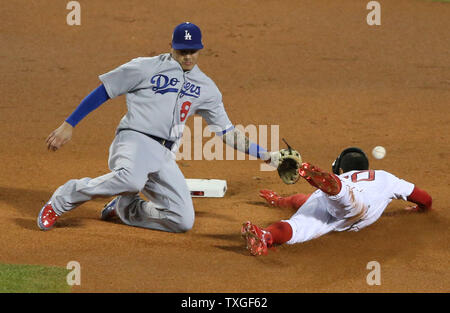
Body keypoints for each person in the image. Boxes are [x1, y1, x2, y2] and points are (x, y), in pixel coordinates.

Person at [38, 22, 276, 232]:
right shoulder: (146, 67)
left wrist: (265, 155)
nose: (187, 57)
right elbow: (105, 91)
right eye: (182, 51)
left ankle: (126, 209)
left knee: (182, 221)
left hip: (164, 155)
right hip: (134, 140)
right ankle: (63, 198)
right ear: (171, 46)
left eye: (192, 52)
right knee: (131, 181)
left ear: (200, 50)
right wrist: (69, 124)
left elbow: (227, 132)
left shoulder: (207, 88)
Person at [241, 147, 432, 256]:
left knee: (296, 226)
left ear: (340, 169)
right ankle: (333, 188)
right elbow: (425, 199)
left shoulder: (346, 177)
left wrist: (279, 201)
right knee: (350, 201)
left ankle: (267, 235)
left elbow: (299, 200)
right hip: (358, 205)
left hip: (330, 198)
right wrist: (420, 209)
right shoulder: (385, 177)